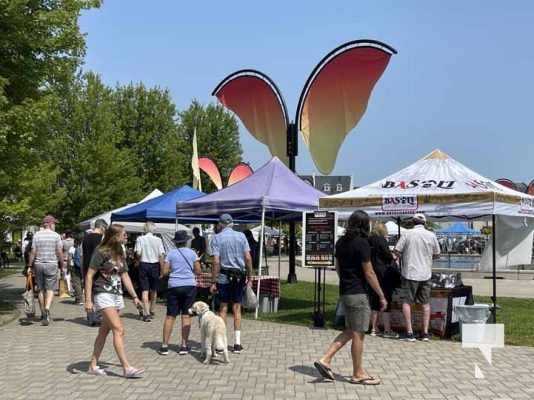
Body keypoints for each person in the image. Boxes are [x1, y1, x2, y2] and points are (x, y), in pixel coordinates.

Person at [314, 210, 386, 385]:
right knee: (359, 334)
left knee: (351, 330)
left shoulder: (340, 242)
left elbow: (338, 268)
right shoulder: (362, 243)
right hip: (359, 293)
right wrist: (381, 295)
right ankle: (358, 373)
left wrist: (346, 281)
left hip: (345, 291)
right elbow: (369, 272)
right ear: (365, 224)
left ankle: (325, 359)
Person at [84, 223, 144, 378]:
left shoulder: (120, 253)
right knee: (119, 329)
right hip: (103, 293)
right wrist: (88, 300)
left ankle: (93, 366)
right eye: (123, 234)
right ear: (115, 236)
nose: (126, 236)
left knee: (104, 331)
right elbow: (89, 275)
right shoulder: (101, 252)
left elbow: (125, 276)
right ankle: (126, 368)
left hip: (116, 295)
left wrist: (135, 297)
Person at [209, 213, 253, 354]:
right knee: (236, 307)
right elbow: (248, 258)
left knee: (222, 307)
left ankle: (221, 341)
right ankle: (237, 343)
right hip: (239, 275)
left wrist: (213, 280)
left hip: (224, 275)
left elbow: (216, 261)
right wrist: (250, 276)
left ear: (221, 224)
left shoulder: (216, 238)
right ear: (232, 223)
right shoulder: (241, 236)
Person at [394, 213, 441, 342]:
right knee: (425, 303)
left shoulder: (407, 234)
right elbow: (437, 254)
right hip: (425, 273)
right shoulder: (431, 235)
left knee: (407, 302)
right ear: (424, 223)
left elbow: (397, 251)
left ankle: (409, 332)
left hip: (410, 272)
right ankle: (425, 333)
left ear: (412, 222)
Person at [157, 230, 202, 356]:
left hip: (174, 286)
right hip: (189, 285)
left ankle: (165, 346)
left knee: (170, 316)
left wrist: (174, 269)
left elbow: (165, 272)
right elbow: (198, 271)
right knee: (186, 316)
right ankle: (183, 345)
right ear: (186, 241)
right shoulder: (192, 253)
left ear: (175, 242)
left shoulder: (170, 254)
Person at [26, 215, 64, 326]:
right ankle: (47, 309)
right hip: (51, 264)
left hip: (38, 264)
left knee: (40, 289)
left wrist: (29, 265)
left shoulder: (36, 235)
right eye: (54, 224)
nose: (55, 226)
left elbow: (33, 251)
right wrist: (62, 265)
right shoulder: (56, 236)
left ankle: (43, 312)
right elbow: (60, 252)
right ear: (50, 224)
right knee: (50, 289)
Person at [368, 222, 398, 338]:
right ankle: (387, 329)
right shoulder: (381, 240)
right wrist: (393, 256)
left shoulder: (369, 240)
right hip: (384, 273)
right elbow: (388, 255)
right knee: (386, 299)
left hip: (372, 271)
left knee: (374, 301)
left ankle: (373, 329)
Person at [134, 221, 165, 322]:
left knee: (144, 290)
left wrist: (140, 257)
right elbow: (161, 255)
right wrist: (162, 268)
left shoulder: (140, 239)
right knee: (154, 289)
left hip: (144, 264)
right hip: (155, 265)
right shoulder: (158, 240)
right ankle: (152, 310)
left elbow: (138, 253)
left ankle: (146, 313)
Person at [82, 218, 108, 326]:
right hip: (97, 268)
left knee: (89, 292)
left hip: (86, 267)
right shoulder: (101, 239)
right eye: (105, 229)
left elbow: (83, 255)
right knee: (98, 291)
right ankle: (97, 316)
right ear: (101, 227)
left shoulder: (85, 238)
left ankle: (90, 317)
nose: (105, 231)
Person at [67, 235, 84, 305]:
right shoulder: (83, 248)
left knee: (76, 283)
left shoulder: (72, 248)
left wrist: (68, 267)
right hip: (82, 267)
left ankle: (79, 299)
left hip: (74, 267)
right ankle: (78, 298)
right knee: (81, 283)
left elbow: (69, 258)